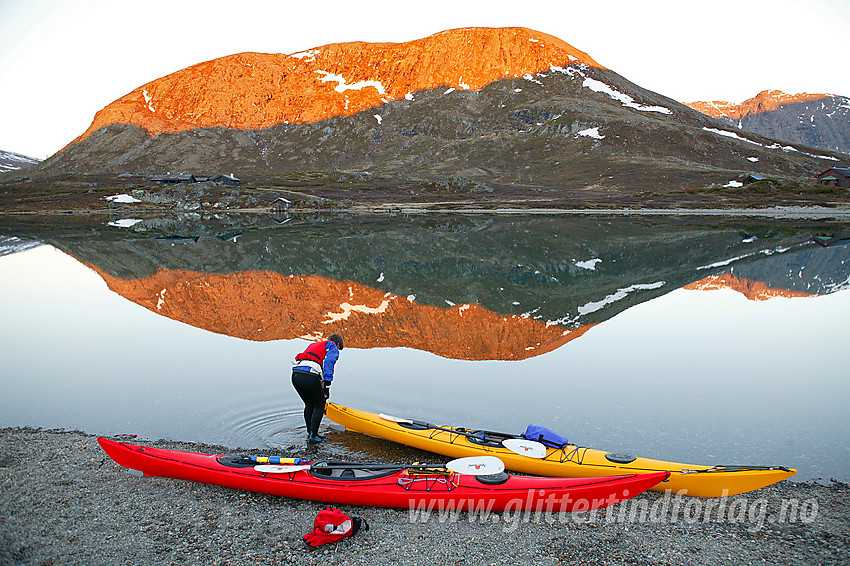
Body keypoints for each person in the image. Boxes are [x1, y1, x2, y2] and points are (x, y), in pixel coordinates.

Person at [292, 334, 344, 443]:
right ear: (338, 343)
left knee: (309, 404)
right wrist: (327, 384)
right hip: (309, 374)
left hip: (296, 374)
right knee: (320, 404)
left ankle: (309, 432)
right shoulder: (332, 345)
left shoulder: (315, 344)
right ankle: (314, 436)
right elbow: (329, 362)